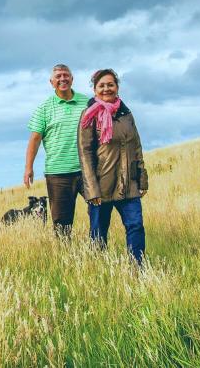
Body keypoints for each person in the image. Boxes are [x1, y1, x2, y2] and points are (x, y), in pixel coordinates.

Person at [78, 69, 148, 266]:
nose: (106, 88)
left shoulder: (126, 114)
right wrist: (91, 190)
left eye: (110, 84)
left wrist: (142, 179)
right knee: (98, 232)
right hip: (102, 185)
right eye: (102, 85)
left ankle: (138, 268)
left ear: (117, 87)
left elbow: (137, 147)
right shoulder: (88, 115)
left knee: (135, 226)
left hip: (129, 184)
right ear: (95, 89)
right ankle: (99, 271)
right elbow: (85, 153)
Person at [25, 64, 90, 236]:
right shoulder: (44, 108)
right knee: (62, 223)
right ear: (51, 82)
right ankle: (66, 256)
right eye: (58, 76)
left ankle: (98, 250)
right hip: (58, 174)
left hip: (87, 170)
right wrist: (28, 167)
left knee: (99, 210)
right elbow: (35, 139)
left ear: (72, 79)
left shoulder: (87, 102)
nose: (63, 79)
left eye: (66, 75)